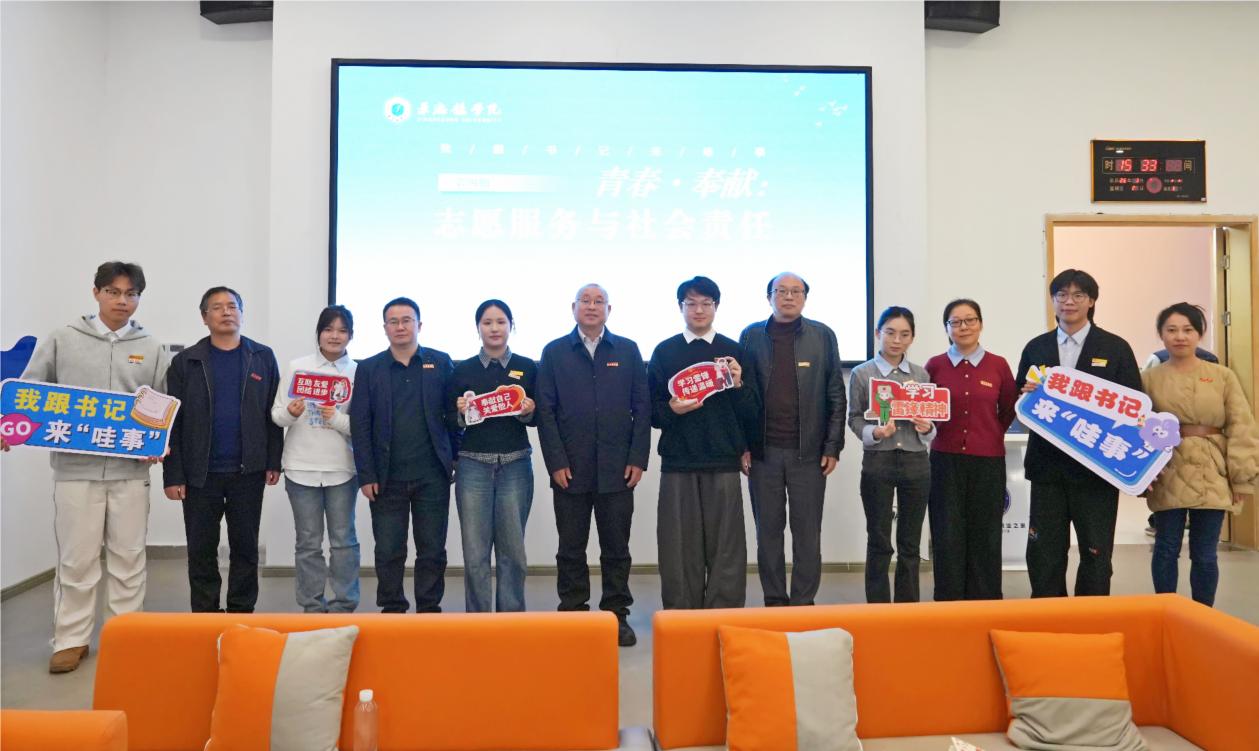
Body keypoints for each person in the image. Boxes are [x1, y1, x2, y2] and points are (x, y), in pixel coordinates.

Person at [2, 262, 168, 673]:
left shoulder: (151, 347)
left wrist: (159, 442)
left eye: (131, 294)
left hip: (130, 473)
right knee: (77, 561)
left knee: (129, 558)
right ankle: (71, 639)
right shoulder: (63, 338)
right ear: (96, 293)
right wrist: (10, 427)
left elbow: (162, 406)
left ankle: (125, 637)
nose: (122, 301)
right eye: (113, 292)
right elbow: (29, 393)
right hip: (75, 471)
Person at [1015, 269, 1142, 598]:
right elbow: (1020, 400)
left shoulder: (1115, 348)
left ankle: (1091, 617)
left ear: (1092, 301)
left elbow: (1134, 408)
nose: (1068, 302)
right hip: (1047, 469)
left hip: (1096, 470)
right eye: (1061, 295)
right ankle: (1047, 616)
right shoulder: (1036, 347)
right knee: (1044, 552)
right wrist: (1027, 394)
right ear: (1053, 300)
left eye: (1078, 295)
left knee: (1096, 553)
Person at [536, 284, 650, 646]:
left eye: (599, 301)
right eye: (585, 301)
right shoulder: (554, 352)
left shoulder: (628, 350)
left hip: (618, 469)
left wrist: (638, 458)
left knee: (616, 549)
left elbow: (642, 408)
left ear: (609, 310)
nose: (592, 306)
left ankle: (617, 615)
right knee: (571, 548)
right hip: (570, 469)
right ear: (573, 307)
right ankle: (573, 614)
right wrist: (555, 461)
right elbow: (545, 412)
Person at [164, 287, 283, 613]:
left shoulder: (262, 357)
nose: (226, 312)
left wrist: (274, 460)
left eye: (232, 306)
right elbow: (173, 422)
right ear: (204, 317)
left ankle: (241, 612)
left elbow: (273, 414)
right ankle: (205, 616)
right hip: (199, 474)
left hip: (249, 471)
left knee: (246, 547)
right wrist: (173, 474)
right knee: (201, 549)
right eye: (217, 307)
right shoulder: (186, 361)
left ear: (242, 313)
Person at [648, 276, 756, 610]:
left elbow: (751, 410)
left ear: (716, 307)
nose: (698, 310)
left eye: (706, 303)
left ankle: (723, 614)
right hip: (678, 462)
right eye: (691, 303)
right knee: (679, 547)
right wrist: (671, 409)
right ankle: (682, 618)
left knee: (727, 547)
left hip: (723, 460)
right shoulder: (664, 351)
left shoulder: (734, 351)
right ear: (680, 307)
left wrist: (738, 384)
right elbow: (651, 411)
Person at [739, 272, 846, 606]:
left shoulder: (822, 335)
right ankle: (774, 600)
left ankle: (803, 603)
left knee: (807, 533)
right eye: (781, 291)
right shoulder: (751, 336)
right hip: (764, 453)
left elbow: (835, 394)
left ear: (805, 297)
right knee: (768, 533)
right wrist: (742, 446)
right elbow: (741, 395)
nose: (788, 296)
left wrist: (832, 446)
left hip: (809, 454)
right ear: (769, 297)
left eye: (796, 291)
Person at [1143, 303, 1258, 607]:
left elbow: (1242, 426)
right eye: (1171, 330)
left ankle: (1202, 616)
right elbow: (1136, 427)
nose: (1180, 336)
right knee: (1166, 548)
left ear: (1200, 333)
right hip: (1167, 469)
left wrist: (1242, 478)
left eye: (1188, 329)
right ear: (1161, 335)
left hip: (1213, 470)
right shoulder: (1149, 379)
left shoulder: (1222, 376)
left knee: (1205, 553)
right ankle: (1165, 611)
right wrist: (1141, 475)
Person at [350, 297, 460, 613]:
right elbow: (360, 424)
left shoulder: (440, 362)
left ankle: (428, 608)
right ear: (385, 327)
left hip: (432, 475)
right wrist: (366, 474)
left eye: (407, 320)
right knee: (388, 550)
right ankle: (392, 609)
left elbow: (453, 415)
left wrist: (453, 457)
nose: (400, 326)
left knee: (432, 550)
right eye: (393, 321)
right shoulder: (369, 368)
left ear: (419, 325)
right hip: (386, 477)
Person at [448, 299, 538, 612]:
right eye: (487, 322)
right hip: (473, 464)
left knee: (513, 552)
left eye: (501, 322)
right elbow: (450, 421)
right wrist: (461, 413)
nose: (494, 328)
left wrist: (528, 410)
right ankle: (479, 621)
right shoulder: (462, 369)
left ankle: (511, 620)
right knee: (475, 554)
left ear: (511, 326)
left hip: (515, 463)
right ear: (478, 328)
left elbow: (538, 418)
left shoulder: (528, 367)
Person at [270, 305, 360, 613]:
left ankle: (344, 604)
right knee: (308, 543)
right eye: (328, 329)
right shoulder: (298, 367)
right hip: (300, 467)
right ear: (318, 333)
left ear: (351, 335)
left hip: (342, 468)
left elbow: (364, 427)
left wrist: (336, 419)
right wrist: (290, 413)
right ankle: (311, 606)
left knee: (344, 541)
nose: (335, 336)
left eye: (342, 330)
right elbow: (277, 415)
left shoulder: (358, 372)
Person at [925, 299, 1017, 601]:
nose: (963, 327)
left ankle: (985, 602)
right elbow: (925, 409)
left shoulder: (998, 365)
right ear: (946, 328)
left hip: (988, 461)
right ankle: (949, 601)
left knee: (986, 533)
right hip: (944, 460)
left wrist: (988, 434)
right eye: (955, 322)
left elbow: (1009, 409)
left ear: (981, 324)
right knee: (946, 531)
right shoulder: (935, 365)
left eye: (970, 320)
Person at [846, 306, 934, 603]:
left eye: (904, 334)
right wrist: (875, 433)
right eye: (890, 332)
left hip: (916, 461)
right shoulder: (862, 373)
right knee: (879, 540)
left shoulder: (921, 374)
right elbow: (854, 418)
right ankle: (878, 608)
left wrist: (927, 427)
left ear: (912, 338)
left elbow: (932, 419)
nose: (897, 340)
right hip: (878, 461)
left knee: (910, 543)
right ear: (877, 334)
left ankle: (907, 608)